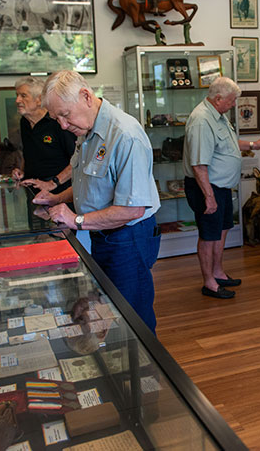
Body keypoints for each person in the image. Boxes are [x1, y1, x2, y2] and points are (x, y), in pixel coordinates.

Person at [33, 71, 162, 333]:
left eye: (65, 115)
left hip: (128, 237)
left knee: (132, 316)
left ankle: (146, 372)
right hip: (103, 235)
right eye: (56, 118)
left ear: (86, 96)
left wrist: (75, 220)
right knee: (109, 309)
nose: (62, 125)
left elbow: (132, 208)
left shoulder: (125, 135)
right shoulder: (88, 131)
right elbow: (88, 184)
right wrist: (57, 198)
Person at [183, 77, 260, 298]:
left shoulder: (217, 116)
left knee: (221, 230)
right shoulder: (201, 120)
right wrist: (209, 197)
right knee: (209, 235)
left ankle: (218, 272)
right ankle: (209, 282)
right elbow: (199, 165)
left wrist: (253, 145)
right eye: (231, 101)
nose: (234, 105)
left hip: (220, 187)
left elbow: (228, 144)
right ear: (218, 98)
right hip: (207, 187)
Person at [10, 76, 75, 195]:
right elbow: (28, 151)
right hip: (32, 191)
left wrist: (52, 183)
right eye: (17, 95)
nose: (17, 100)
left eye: (23, 96)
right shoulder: (24, 122)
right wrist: (23, 171)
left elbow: (78, 160)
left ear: (39, 99)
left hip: (60, 192)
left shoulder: (58, 122)